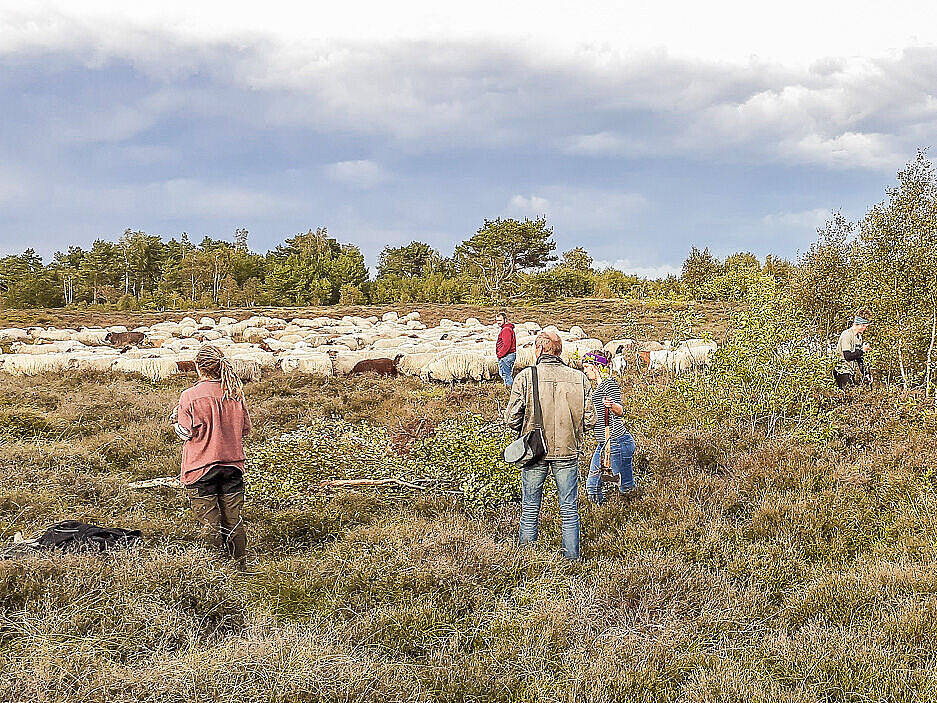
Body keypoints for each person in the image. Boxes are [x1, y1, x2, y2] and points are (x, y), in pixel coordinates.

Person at [504, 330, 596, 560]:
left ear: (539, 349)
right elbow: (591, 419)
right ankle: (572, 559)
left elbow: (511, 418)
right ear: (559, 351)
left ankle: (526, 559)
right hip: (567, 450)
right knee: (568, 508)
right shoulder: (579, 378)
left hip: (534, 452)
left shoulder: (525, 377)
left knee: (530, 507)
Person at [171, 344, 252, 568]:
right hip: (232, 466)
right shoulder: (235, 394)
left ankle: (216, 571)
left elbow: (186, 432)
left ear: (198, 367)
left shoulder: (190, 396)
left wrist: (177, 422)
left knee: (209, 523)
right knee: (234, 520)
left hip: (200, 468)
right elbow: (245, 429)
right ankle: (240, 567)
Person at [581, 351, 636, 503]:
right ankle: (601, 515)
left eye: (587, 366)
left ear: (597, 366)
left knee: (623, 486)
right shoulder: (598, 387)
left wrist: (611, 406)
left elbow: (620, 410)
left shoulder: (609, 383)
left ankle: (631, 514)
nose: (585, 370)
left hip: (616, 441)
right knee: (619, 485)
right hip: (606, 442)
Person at [834, 309, 872, 389]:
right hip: (841, 370)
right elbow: (847, 356)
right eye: (866, 326)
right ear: (861, 325)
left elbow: (858, 358)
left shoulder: (859, 337)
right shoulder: (846, 335)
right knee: (849, 396)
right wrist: (862, 351)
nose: (866, 329)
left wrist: (866, 373)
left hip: (850, 371)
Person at [495, 312, 517, 387]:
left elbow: (507, 344)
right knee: (506, 374)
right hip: (507, 355)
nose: (498, 322)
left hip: (507, 355)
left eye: (500, 320)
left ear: (505, 319)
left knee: (506, 374)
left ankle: (510, 390)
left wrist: (500, 354)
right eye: (497, 320)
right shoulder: (506, 328)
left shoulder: (506, 330)